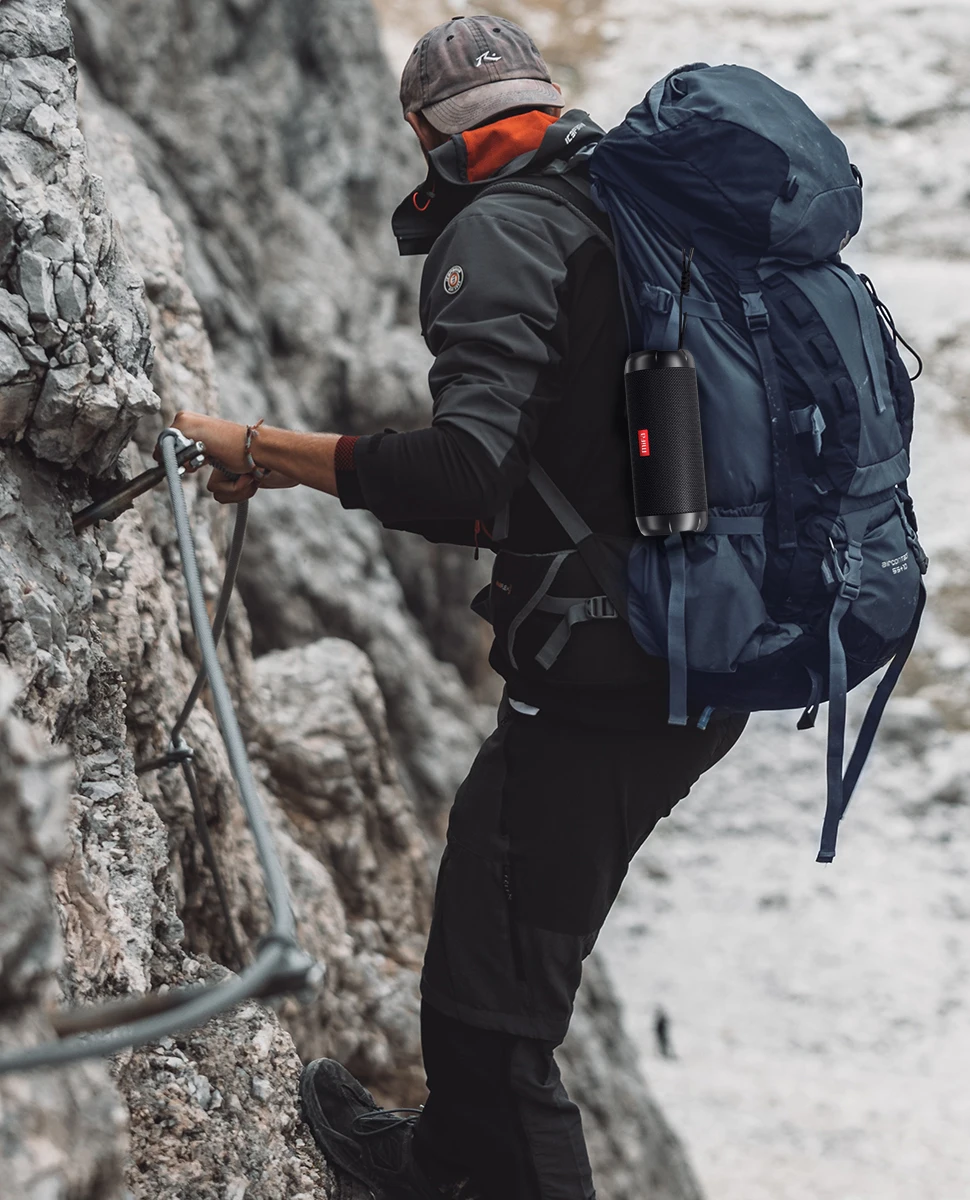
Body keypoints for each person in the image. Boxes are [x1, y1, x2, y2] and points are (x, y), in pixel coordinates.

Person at [170, 15, 746, 1199]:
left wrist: (265, 448)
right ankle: (440, 1162)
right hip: (700, 639)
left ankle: (460, 1169)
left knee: (495, 1015)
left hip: (612, 676)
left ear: (420, 129)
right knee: (490, 948)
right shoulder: (629, 207)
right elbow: (567, 471)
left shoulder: (503, 230)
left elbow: (466, 473)